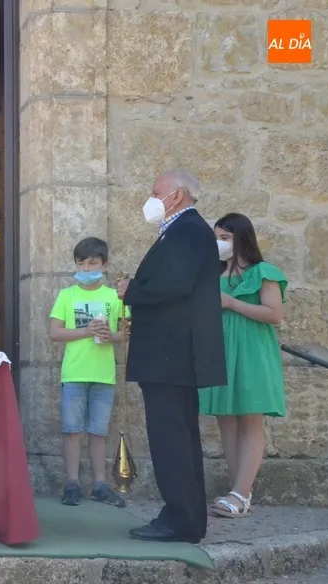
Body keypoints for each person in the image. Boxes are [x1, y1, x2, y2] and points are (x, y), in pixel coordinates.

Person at [117, 168, 226, 544]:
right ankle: (184, 516)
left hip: (171, 354)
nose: (150, 199)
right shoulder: (185, 231)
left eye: (155, 192)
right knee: (177, 438)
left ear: (176, 196)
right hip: (171, 354)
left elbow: (174, 285)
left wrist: (131, 289)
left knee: (171, 440)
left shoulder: (188, 231)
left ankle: (181, 519)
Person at [199, 213, 286, 518]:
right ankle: (238, 492)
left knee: (250, 419)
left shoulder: (263, 272)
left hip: (251, 350)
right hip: (219, 349)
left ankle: (241, 492)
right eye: (216, 237)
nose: (219, 243)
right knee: (225, 419)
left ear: (242, 239)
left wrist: (233, 303)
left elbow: (274, 314)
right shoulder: (212, 273)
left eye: (225, 237)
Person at [48, 237, 128, 508]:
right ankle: (71, 483)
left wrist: (113, 336)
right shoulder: (67, 295)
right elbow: (54, 332)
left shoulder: (113, 297)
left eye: (92, 263)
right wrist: (86, 332)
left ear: (104, 265)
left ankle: (100, 484)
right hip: (74, 373)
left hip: (103, 375)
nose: (85, 268)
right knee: (72, 430)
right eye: (80, 263)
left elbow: (127, 333)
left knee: (98, 432)